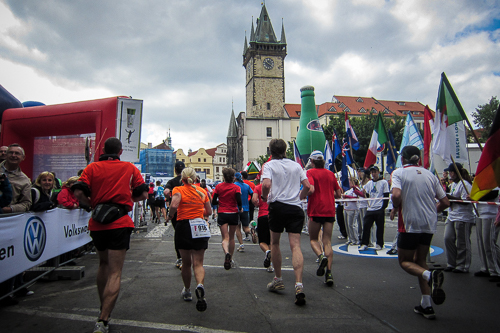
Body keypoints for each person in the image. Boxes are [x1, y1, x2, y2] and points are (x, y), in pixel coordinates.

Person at [72, 137, 148, 333]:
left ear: (103, 150)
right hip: (119, 222)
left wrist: (92, 204)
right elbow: (143, 194)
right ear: (120, 151)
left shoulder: (92, 168)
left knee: (103, 265)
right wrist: (128, 198)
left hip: (97, 223)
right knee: (116, 272)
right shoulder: (129, 168)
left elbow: (78, 192)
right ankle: (103, 318)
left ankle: (102, 306)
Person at [390, 146, 450, 319]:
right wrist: (432, 212)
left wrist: (395, 206)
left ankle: (430, 275)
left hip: (410, 223)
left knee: (405, 261)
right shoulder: (430, 175)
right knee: (420, 260)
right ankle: (427, 304)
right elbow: (445, 202)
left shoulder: (399, 173)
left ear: (403, 159)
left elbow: (395, 195)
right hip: (428, 224)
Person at [261, 139, 311, 305]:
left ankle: (278, 278)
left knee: (274, 243)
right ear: (285, 150)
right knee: (295, 245)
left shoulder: (268, 165)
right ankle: (299, 284)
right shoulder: (296, 165)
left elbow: (266, 184)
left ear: (271, 151)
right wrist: (301, 196)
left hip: (278, 206)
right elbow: (308, 186)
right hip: (295, 207)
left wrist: (264, 196)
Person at [167, 167, 212, 312]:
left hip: (184, 225)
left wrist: (170, 215)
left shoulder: (178, 190)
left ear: (182, 178)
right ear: (195, 178)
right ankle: (200, 285)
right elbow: (209, 211)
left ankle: (187, 290)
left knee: (186, 263)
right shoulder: (202, 191)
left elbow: (174, 204)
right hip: (199, 224)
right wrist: (198, 210)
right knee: (198, 263)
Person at [0, 144, 33, 306]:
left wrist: (9, 209)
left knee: (7, 260)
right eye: (10, 152)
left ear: (22, 158)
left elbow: (27, 203)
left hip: (7, 223)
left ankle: (6, 294)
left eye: (17, 154)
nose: (13, 155)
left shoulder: (24, 180)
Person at [306, 150, 341, 286]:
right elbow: (338, 194)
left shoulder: (310, 173)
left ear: (312, 161)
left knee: (314, 239)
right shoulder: (331, 174)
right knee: (327, 242)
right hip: (330, 210)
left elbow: (311, 189)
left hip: (316, 209)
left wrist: (304, 194)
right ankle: (329, 273)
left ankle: (321, 257)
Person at [443, 163, 475, 273]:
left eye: (451, 172)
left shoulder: (465, 184)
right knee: (448, 238)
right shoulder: (453, 185)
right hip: (452, 215)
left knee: (462, 242)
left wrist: (449, 197)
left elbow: (466, 201)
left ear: (456, 173)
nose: (449, 174)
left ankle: (462, 265)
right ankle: (451, 262)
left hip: (463, 216)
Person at [211, 167, 242, 270]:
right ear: (233, 177)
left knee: (225, 238)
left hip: (222, 213)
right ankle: (231, 258)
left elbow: (213, 201)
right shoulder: (236, 187)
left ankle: (226, 252)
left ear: (223, 177)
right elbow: (238, 200)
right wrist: (240, 208)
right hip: (233, 213)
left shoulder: (218, 187)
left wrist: (220, 202)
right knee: (232, 237)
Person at [359, 165, 390, 251]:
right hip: (370, 208)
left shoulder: (384, 182)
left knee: (379, 227)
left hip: (379, 208)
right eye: (372, 172)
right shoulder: (369, 183)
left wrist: (383, 207)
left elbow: (386, 195)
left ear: (378, 172)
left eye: (374, 172)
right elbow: (367, 194)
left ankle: (379, 243)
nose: (373, 174)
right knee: (366, 226)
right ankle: (364, 243)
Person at [473, 188, 500, 282]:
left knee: (489, 243)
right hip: (480, 213)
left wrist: (476, 196)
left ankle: (495, 270)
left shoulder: (493, 181)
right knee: (481, 243)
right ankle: (485, 267)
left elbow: (493, 194)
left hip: (490, 214)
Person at [164, 161, 186, 268]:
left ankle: (180, 257)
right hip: (189, 210)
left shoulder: (172, 182)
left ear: (175, 170)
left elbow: (166, 192)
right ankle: (189, 256)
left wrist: (170, 198)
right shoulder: (189, 181)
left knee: (178, 234)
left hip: (177, 212)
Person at [252, 179, 273, 272]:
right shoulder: (274, 186)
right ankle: (270, 265)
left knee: (262, 242)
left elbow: (254, 200)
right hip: (273, 215)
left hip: (262, 215)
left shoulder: (258, 187)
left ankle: (267, 252)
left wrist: (257, 203)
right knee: (272, 242)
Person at [234, 172, 254, 251]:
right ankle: (252, 231)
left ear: (235, 178)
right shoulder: (247, 186)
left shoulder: (234, 185)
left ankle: (241, 245)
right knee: (246, 228)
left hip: (236, 209)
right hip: (246, 208)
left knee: (237, 228)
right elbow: (252, 193)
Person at [343, 177, 363, 246]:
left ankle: (356, 239)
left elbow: (355, 198)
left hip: (353, 209)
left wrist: (346, 196)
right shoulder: (348, 190)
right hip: (346, 208)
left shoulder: (355, 189)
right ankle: (350, 238)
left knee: (352, 225)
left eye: (349, 181)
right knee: (347, 225)